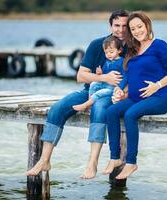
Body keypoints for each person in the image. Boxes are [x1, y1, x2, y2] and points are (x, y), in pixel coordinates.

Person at [26, 10, 129, 179]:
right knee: (58, 108)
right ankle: (44, 160)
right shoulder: (98, 45)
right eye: (117, 25)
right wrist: (104, 77)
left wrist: (121, 91)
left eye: (125, 26)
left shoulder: (132, 48)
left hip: (115, 95)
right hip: (90, 90)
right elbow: (81, 76)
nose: (121, 30)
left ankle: (92, 162)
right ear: (110, 25)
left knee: (100, 107)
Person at [103, 12, 167, 179]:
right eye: (133, 29)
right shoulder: (133, 49)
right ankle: (115, 158)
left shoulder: (159, 45)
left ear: (147, 25)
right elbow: (128, 74)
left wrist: (157, 85)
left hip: (159, 98)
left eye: (140, 27)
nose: (137, 31)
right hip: (136, 98)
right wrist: (119, 88)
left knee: (130, 114)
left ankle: (131, 162)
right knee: (111, 112)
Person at [73, 36, 127, 112]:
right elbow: (105, 74)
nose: (108, 54)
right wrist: (100, 73)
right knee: (93, 84)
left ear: (119, 50)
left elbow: (126, 76)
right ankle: (90, 101)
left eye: (111, 52)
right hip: (105, 84)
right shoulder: (107, 62)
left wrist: (120, 87)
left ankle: (86, 105)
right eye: (106, 53)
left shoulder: (122, 62)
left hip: (114, 88)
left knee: (100, 92)